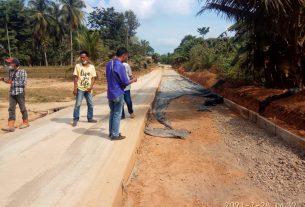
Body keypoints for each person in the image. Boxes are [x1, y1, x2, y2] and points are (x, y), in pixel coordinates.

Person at [106, 47, 137, 140]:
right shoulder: (120, 66)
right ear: (123, 55)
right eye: (126, 56)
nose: (126, 58)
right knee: (117, 114)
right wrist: (133, 80)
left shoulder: (109, 64)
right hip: (118, 93)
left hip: (110, 92)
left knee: (112, 113)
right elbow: (125, 82)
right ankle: (115, 135)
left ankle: (111, 132)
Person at [1, 57, 29, 132]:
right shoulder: (10, 71)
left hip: (20, 92)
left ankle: (25, 122)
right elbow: (9, 80)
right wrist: (3, 79)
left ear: (15, 64)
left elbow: (24, 83)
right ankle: (11, 125)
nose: (9, 64)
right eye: (8, 63)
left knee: (22, 108)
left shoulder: (22, 71)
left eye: (10, 63)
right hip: (12, 92)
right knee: (11, 109)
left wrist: (12, 82)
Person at [72, 51, 97, 127]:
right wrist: (75, 88)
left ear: (87, 57)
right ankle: (75, 119)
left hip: (88, 89)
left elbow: (93, 78)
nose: (82, 59)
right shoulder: (77, 66)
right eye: (81, 57)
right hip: (80, 88)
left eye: (84, 57)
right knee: (78, 104)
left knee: (90, 104)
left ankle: (90, 118)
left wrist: (91, 87)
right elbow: (76, 78)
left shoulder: (92, 67)